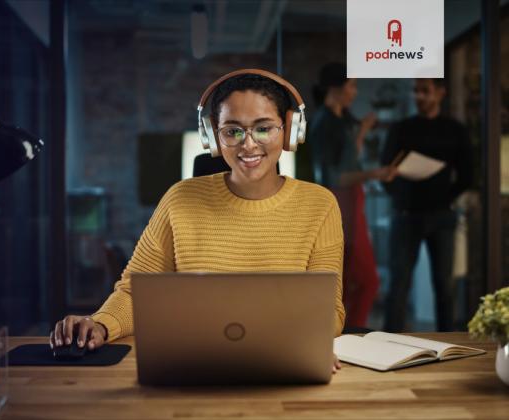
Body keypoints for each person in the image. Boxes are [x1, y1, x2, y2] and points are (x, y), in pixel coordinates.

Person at [51, 70, 346, 373]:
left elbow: (330, 311)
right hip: (191, 365)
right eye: (232, 131)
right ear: (212, 137)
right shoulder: (180, 199)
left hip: (283, 365)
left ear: (289, 131)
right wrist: (100, 323)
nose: (247, 145)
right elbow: (133, 292)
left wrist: (301, 341)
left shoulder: (319, 204)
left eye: (263, 128)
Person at [309, 62, 396, 328]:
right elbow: (337, 177)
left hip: (351, 199)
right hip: (341, 201)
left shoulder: (340, 118)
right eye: (352, 85)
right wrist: (375, 174)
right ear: (335, 88)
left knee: (348, 279)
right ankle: (352, 332)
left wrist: (362, 132)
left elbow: (349, 160)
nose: (355, 92)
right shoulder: (325, 124)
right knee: (367, 280)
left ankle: (343, 332)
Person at [381, 78, 472, 332]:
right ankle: (387, 344)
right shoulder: (401, 128)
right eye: (416, 91)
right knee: (398, 285)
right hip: (406, 213)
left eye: (425, 91)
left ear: (441, 93)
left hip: (442, 214)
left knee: (445, 286)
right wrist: (400, 195)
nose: (419, 96)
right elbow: (385, 170)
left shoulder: (455, 129)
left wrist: (444, 197)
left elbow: (467, 175)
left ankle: (448, 344)